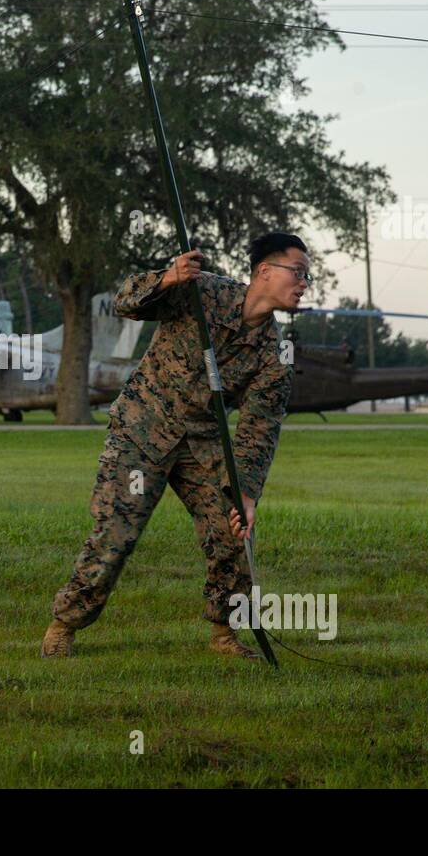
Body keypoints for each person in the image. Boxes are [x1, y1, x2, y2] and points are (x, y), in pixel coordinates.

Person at [41, 232, 310, 660]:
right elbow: (125, 302)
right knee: (117, 532)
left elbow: (260, 429)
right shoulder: (203, 292)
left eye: (306, 277)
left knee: (232, 528)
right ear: (264, 271)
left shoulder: (275, 355)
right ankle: (65, 624)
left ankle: (224, 634)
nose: (303, 284)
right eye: (297, 273)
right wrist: (168, 278)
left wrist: (246, 494)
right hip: (142, 430)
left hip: (201, 444)